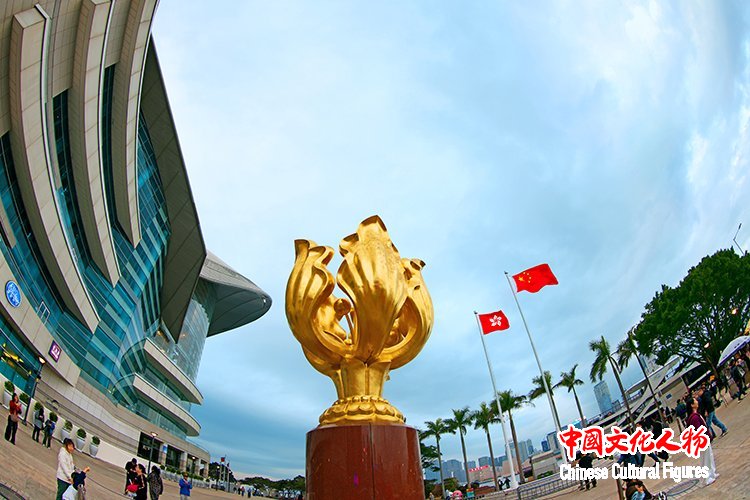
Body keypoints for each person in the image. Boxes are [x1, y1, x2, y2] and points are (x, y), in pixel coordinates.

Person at [685, 396, 718, 486]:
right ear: (692, 405)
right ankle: (706, 479)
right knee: (705, 460)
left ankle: (712, 474)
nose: (697, 401)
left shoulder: (694, 416)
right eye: (695, 401)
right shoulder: (694, 417)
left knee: (708, 457)